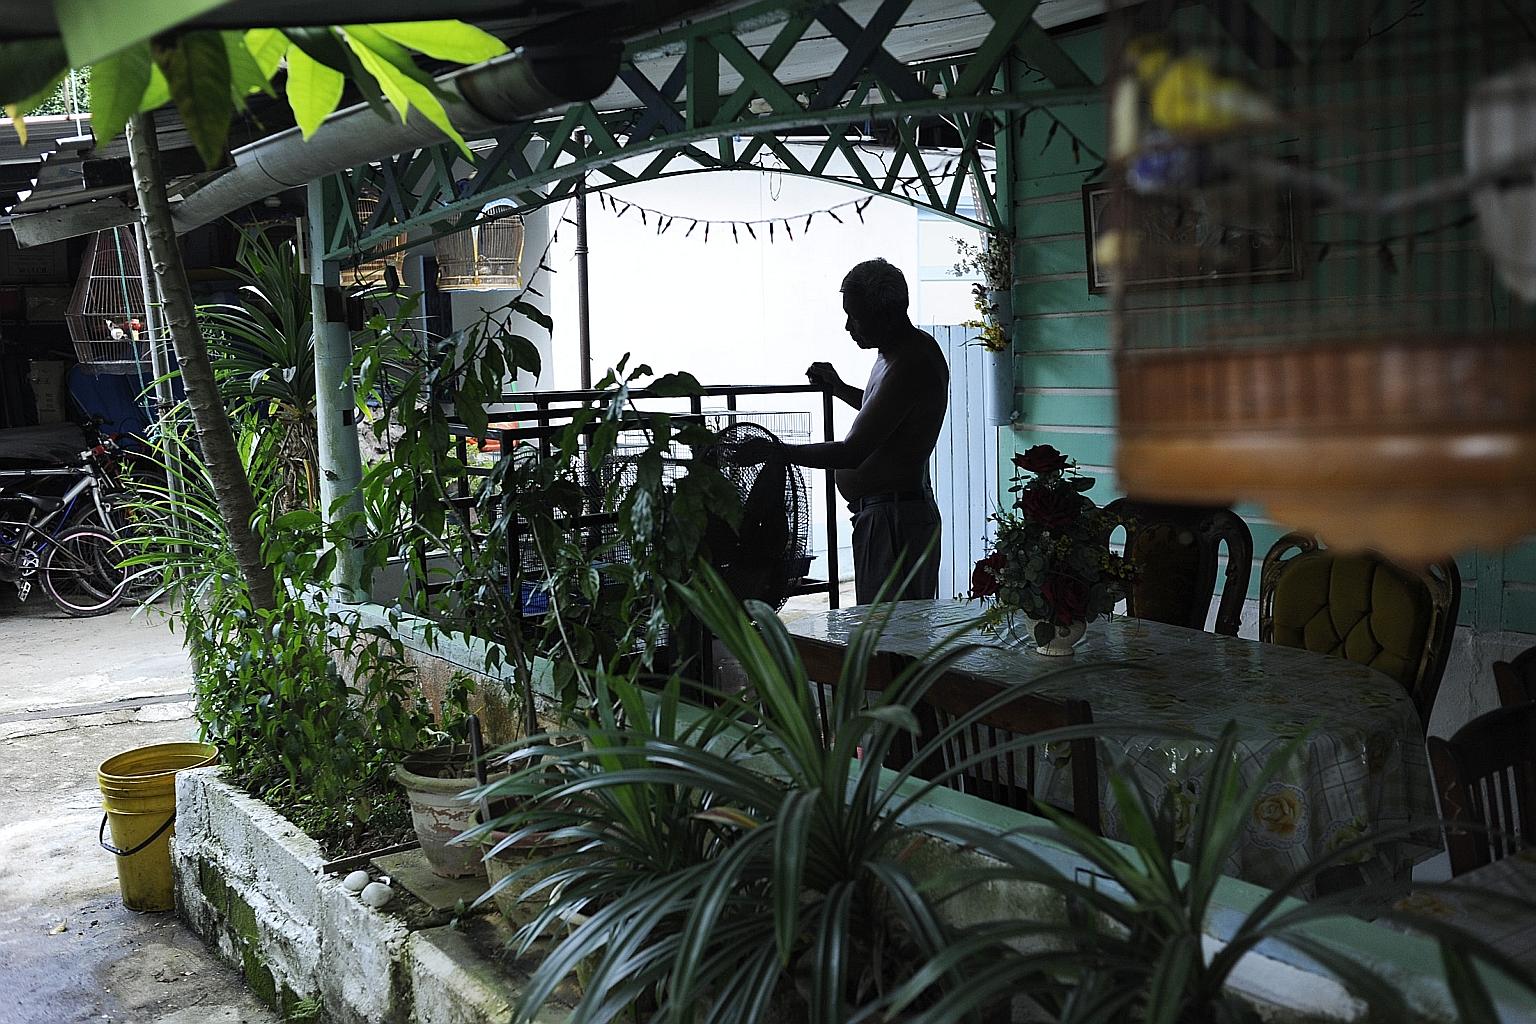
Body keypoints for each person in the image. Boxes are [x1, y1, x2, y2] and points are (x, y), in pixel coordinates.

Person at [742, 258, 949, 603]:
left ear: (886, 315)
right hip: (886, 517)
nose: (848, 326)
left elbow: (853, 452)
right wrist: (838, 388)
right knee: (882, 636)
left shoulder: (912, 361)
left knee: (891, 642)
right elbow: (884, 414)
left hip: (894, 522)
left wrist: (776, 450)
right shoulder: (895, 353)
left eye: (854, 315)